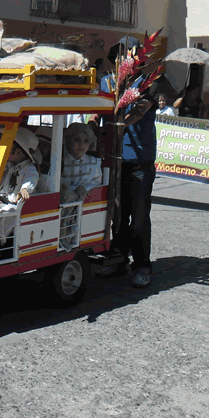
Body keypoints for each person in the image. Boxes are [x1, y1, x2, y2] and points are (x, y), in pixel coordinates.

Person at [107, 74, 159, 288]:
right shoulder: (111, 81)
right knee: (118, 217)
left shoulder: (149, 83)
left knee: (138, 218)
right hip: (115, 160)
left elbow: (140, 111)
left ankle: (142, 266)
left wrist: (118, 125)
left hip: (140, 163)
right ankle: (118, 260)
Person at [0, 128, 40, 248]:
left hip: (13, 205)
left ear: (19, 152)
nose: (5, 150)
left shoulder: (29, 168)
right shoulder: (8, 166)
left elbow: (31, 178)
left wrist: (25, 189)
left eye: (9, 148)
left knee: (10, 214)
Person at [60, 123, 102, 250]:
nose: (81, 145)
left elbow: (97, 182)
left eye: (86, 141)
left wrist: (85, 188)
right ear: (68, 140)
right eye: (77, 140)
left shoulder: (94, 162)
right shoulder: (59, 159)